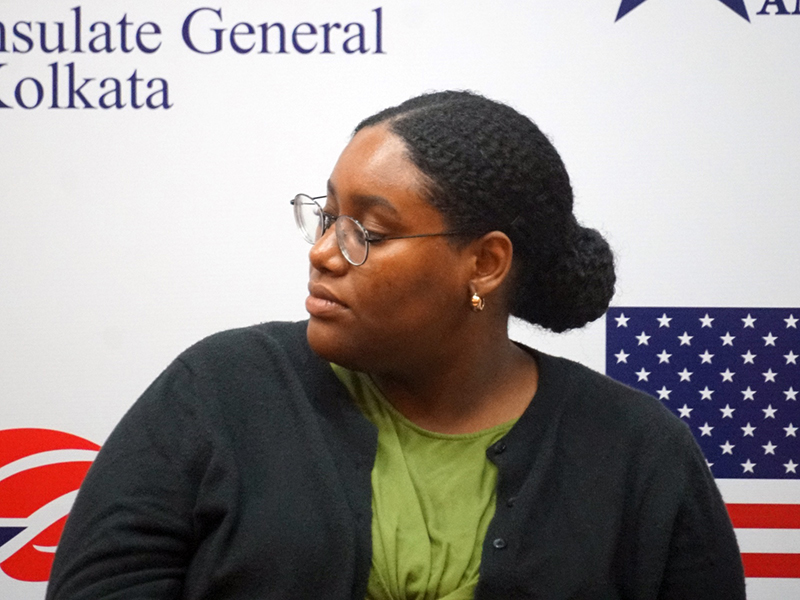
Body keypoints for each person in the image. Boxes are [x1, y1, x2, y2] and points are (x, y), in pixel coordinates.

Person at [46, 90, 745, 600]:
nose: (323, 252)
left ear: (485, 264)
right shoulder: (221, 391)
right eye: (327, 217)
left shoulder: (638, 450)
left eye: (369, 233)